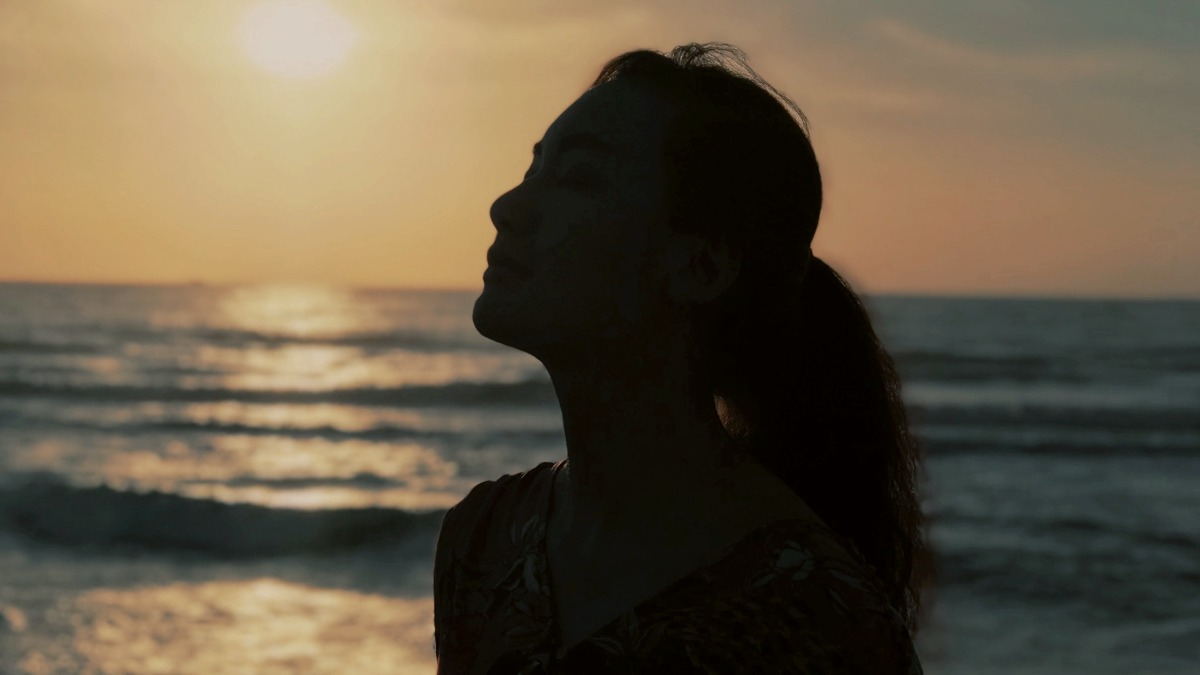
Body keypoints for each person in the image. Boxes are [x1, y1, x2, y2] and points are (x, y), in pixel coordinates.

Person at [433, 43, 933, 674]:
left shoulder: (813, 613)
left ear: (699, 265)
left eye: (580, 179)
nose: (507, 206)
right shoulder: (482, 539)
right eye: (535, 170)